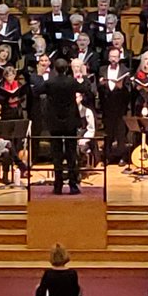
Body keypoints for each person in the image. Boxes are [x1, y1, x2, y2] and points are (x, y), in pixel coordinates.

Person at [42, 59, 84, 194]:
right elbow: (84, 89)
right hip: (70, 121)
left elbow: (37, 90)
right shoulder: (71, 81)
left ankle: (58, 185)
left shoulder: (50, 82)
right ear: (67, 69)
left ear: (55, 68)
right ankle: (73, 185)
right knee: (71, 153)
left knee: (57, 154)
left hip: (55, 122)